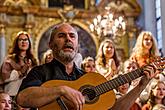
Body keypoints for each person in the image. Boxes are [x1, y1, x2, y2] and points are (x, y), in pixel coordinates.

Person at [16, 23, 157, 110]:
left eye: (72, 36)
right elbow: (22, 98)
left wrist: (140, 87)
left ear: (77, 45)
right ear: (51, 45)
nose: (68, 39)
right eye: (61, 36)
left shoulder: (89, 78)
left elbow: (114, 108)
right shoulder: (40, 72)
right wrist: (61, 91)